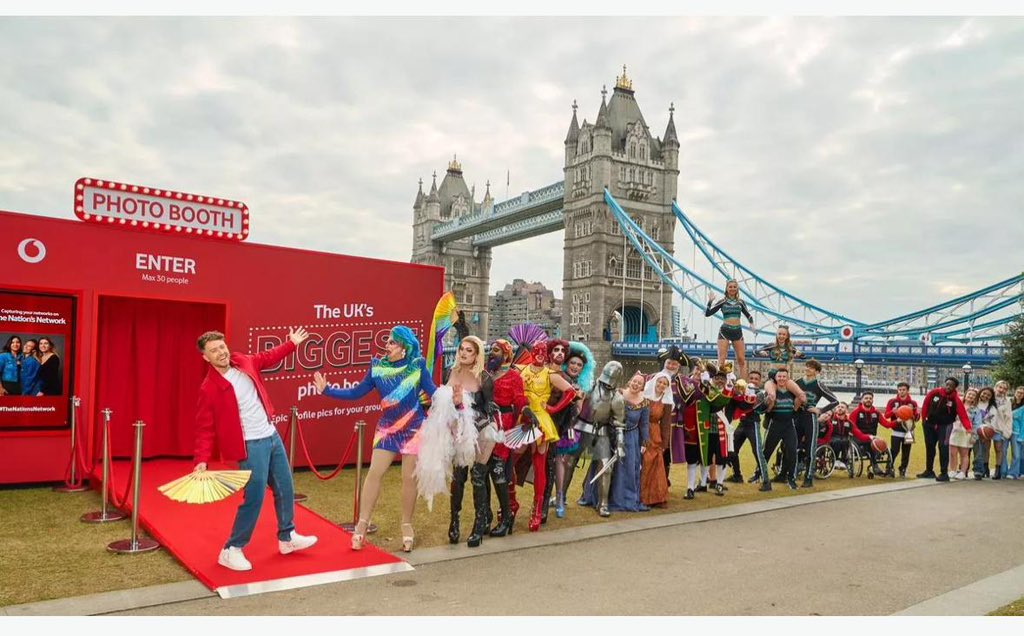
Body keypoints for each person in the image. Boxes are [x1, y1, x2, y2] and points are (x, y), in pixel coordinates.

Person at [193, 328, 317, 572]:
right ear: (205, 357)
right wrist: (201, 460)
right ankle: (231, 549)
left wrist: (291, 343)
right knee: (255, 497)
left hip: (270, 435)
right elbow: (204, 429)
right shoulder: (209, 388)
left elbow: (268, 357)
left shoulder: (243, 361)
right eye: (214, 350)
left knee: (285, 487)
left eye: (222, 347)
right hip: (249, 446)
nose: (221, 352)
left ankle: (287, 537)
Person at [315, 325, 438, 552]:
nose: (387, 345)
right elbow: (356, 392)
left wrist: (455, 401)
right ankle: (361, 525)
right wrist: (327, 390)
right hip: (387, 429)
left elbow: (434, 393)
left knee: (408, 478)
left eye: (392, 342)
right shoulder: (377, 367)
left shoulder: (417, 366)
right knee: (374, 473)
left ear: (404, 347)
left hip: (414, 429)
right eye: (387, 341)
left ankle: (406, 525)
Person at [414, 335, 486, 544]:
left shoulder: (484, 378)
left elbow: (489, 409)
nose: (463, 353)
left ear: (477, 355)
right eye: (462, 349)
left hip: (478, 433)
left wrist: (463, 409)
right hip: (453, 432)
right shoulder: (450, 371)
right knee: (458, 478)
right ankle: (454, 522)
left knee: (478, 478)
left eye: (469, 350)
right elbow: (442, 402)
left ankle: (478, 526)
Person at [511, 341, 575, 532]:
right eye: (536, 351)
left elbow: (571, 392)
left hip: (541, 420)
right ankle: (511, 502)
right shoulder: (521, 370)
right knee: (510, 462)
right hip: (523, 418)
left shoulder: (550, 374)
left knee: (540, 466)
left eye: (542, 352)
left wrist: (554, 408)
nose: (539, 354)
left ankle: (537, 509)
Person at [551, 341, 595, 518]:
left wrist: (578, 399)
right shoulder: (555, 377)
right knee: (551, 465)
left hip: (571, 429)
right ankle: (552, 496)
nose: (575, 367)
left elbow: (579, 411)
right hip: (552, 423)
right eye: (572, 363)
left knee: (565, 462)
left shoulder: (583, 387)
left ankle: (561, 497)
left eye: (579, 365)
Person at [577, 361, 626, 517]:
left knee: (606, 467)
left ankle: (603, 504)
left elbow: (619, 424)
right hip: (581, 426)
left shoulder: (617, 398)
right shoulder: (590, 385)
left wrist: (620, 444)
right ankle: (560, 497)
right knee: (567, 462)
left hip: (601, 431)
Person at [606, 372, 649, 511]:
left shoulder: (644, 402)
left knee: (628, 468)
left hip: (631, 438)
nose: (636, 384)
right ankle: (603, 497)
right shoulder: (617, 394)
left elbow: (644, 424)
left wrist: (644, 442)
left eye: (640, 383)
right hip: (613, 434)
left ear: (642, 387)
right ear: (629, 381)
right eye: (634, 381)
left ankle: (625, 499)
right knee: (609, 466)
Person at [794, 359, 839, 487]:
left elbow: (835, 401)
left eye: (811, 368)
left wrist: (820, 410)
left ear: (817, 372)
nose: (808, 369)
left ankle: (808, 478)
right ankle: (790, 473)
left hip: (810, 418)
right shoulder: (797, 382)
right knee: (793, 446)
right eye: (807, 366)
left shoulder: (819, 385)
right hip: (797, 417)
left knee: (810, 448)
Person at [919, 377, 971, 482]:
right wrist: (923, 419)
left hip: (945, 426)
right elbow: (925, 404)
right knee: (929, 447)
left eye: (951, 386)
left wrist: (968, 428)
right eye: (947, 384)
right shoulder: (934, 393)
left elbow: (963, 415)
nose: (948, 387)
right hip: (929, 424)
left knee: (943, 448)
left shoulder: (956, 399)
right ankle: (929, 471)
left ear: (955, 387)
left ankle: (944, 473)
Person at [760, 367, 800, 490]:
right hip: (775, 424)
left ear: (787, 378)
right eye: (779, 376)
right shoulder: (771, 390)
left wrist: (795, 409)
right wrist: (769, 401)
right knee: (766, 451)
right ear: (775, 378)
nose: (782, 378)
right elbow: (766, 409)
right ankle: (760, 475)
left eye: (784, 376)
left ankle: (791, 478)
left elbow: (798, 402)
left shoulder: (791, 392)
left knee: (792, 451)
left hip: (789, 425)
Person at [705, 280, 755, 378]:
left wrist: (751, 324)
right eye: (730, 287)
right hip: (725, 331)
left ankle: (743, 384)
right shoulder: (722, 302)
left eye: (734, 287)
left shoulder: (740, 302)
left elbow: (748, 315)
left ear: (737, 289)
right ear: (727, 289)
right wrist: (710, 301)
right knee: (722, 359)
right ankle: (720, 382)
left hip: (737, 331)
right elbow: (708, 313)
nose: (732, 289)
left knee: (741, 359)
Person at [753, 326, 806, 408]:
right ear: (776, 335)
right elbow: (754, 352)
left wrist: (799, 354)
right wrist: (761, 352)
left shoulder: (790, 348)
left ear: (787, 336)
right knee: (771, 396)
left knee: (801, 395)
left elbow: (804, 356)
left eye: (784, 334)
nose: (781, 336)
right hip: (772, 377)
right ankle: (764, 411)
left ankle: (793, 414)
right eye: (779, 334)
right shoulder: (771, 346)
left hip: (785, 378)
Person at [640, 371, 672, 507]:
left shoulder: (667, 401)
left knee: (655, 465)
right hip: (641, 431)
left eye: (665, 383)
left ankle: (655, 498)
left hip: (655, 434)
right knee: (642, 464)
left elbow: (666, 424)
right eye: (660, 382)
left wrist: (665, 443)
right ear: (655, 381)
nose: (661, 385)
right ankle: (639, 496)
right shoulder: (644, 395)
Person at [847, 392, 895, 478]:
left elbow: (887, 424)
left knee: (881, 444)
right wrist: (866, 437)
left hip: (873, 438)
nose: (868, 400)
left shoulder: (876, 413)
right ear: (862, 400)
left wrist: (897, 421)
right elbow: (852, 428)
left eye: (870, 398)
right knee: (871, 444)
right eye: (866, 398)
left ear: (872, 400)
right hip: (858, 438)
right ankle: (875, 466)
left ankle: (889, 468)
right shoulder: (855, 412)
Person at [728, 370, 762, 484]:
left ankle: (759, 475)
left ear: (760, 381)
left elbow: (761, 407)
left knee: (757, 451)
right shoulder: (742, 391)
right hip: (742, 423)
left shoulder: (761, 393)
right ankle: (737, 475)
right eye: (751, 378)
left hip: (753, 424)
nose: (753, 380)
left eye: (756, 379)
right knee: (731, 449)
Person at [883, 382, 920, 478]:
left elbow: (916, 418)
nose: (901, 392)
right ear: (897, 390)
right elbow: (886, 415)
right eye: (900, 390)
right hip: (896, 431)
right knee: (894, 451)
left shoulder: (913, 403)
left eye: (904, 390)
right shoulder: (892, 402)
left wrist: (913, 413)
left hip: (909, 431)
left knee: (906, 453)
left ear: (907, 391)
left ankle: (903, 469)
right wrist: (893, 411)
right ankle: (889, 468)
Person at [952, 388, 980, 480]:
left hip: (967, 432)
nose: (970, 396)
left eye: (973, 395)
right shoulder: (957, 405)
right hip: (955, 430)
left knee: (964, 453)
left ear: (975, 398)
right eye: (969, 394)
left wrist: (974, 436)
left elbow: (976, 424)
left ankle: (963, 472)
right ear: (965, 394)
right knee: (952, 452)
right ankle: (952, 470)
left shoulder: (976, 410)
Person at [989, 381, 1014, 480]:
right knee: (985, 448)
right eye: (1000, 387)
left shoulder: (1007, 402)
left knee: (998, 449)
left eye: (1004, 388)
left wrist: (1007, 431)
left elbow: (1009, 418)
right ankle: (984, 469)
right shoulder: (989, 396)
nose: (1002, 390)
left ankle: (997, 471)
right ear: (995, 387)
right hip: (987, 427)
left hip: (998, 428)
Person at [1007, 386, 1024, 480]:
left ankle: (1014, 473)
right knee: (1015, 453)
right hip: (1007, 430)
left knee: (1018, 454)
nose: (1020, 394)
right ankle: (1009, 471)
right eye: (1018, 392)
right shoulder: (1008, 402)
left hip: (1017, 432)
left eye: (1022, 393)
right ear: (1015, 392)